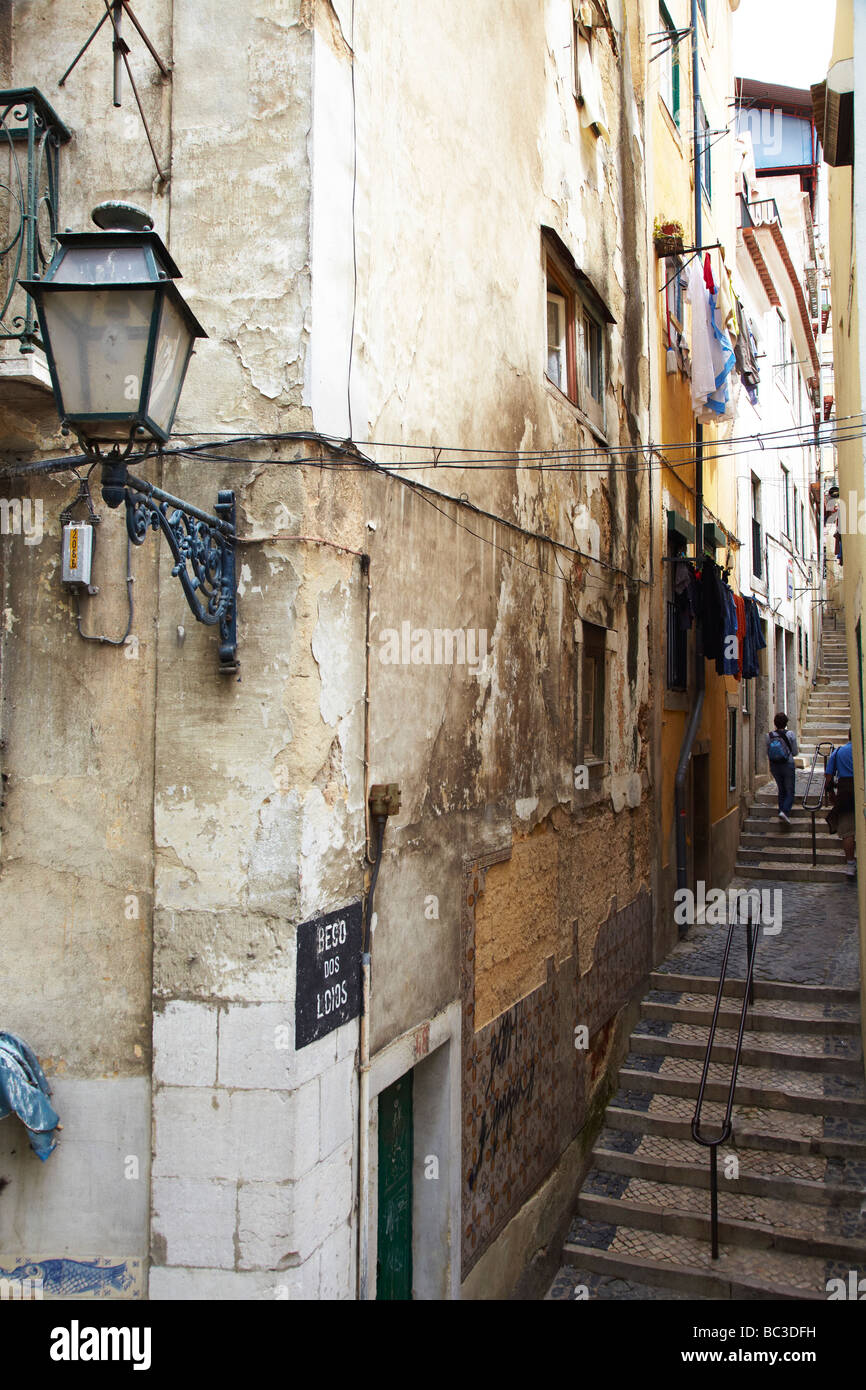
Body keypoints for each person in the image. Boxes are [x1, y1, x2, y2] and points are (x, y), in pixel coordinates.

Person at [824, 730, 856, 879]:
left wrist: (831, 794)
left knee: (848, 832)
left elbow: (829, 776)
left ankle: (850, 865)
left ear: (848, 736)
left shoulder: (838, 752)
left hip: (845, 794)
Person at [766, 712, 798, 823]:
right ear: (786, 723)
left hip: (775, 765)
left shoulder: (769, 736)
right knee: (790, 790)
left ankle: (781, 811)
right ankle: (784, 811)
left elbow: (767, 752)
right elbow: (795, 752)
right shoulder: (791, 734)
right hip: (788, 764)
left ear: (775, 723)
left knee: (781, 789)